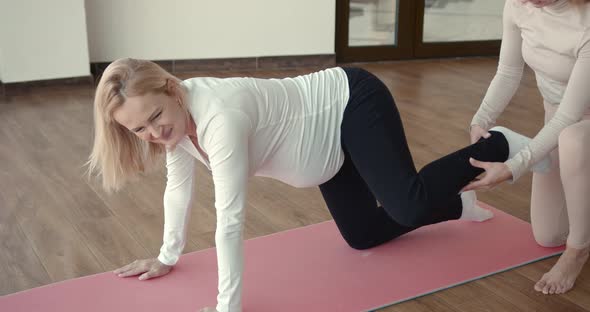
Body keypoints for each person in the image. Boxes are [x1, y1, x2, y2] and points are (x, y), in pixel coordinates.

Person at [88, 58, 525, 312]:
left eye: (155, 117)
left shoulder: (220, 116)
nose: (154, 133)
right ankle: (456, 208)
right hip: (324, 149)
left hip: (351, 103)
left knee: (406, 206)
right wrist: (167, 257)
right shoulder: (178, 126)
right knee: (363, 235)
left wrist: (227, 307)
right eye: (139, 129)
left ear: (171, 89)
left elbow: (230, 217)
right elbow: (177, 188)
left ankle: (500, 143)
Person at [465, 0, 590, 296]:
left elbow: (569, 118)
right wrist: (480, 119)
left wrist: (513, 167)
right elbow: (508, 71)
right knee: (548, 236)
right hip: (557, 117)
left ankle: (579, 250)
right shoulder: (518, 5)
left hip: (577, 125)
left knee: (572, 139)